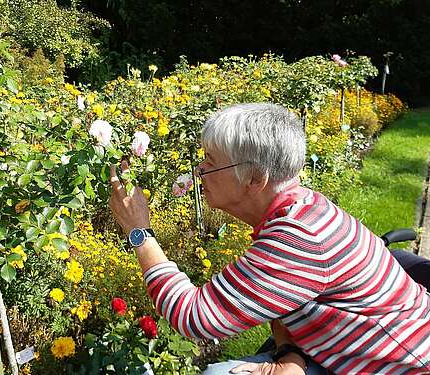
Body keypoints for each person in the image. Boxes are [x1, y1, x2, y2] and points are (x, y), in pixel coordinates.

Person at [108, 103, 430, 374]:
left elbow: (193, 317)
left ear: (255, 179)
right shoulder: (296, 210)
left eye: (211, 160)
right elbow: (290, 300)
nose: (199, 169)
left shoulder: (298, 237)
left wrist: (139, 231)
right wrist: (290, 354)